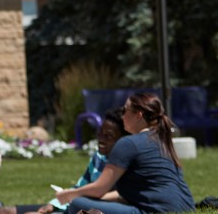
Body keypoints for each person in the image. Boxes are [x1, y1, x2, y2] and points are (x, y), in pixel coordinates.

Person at [55, 92, 195, 214]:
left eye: (125, 110)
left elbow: (100, 188)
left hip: (153, 211)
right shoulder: (162, 142)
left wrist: (69, 194)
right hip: (186, 208)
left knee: (77, 205)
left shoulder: (129, 143)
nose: (122, 116)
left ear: (138, 115)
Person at [37, 108, 128, 214]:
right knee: (13, 211)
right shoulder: (98, 158)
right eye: (100, 133)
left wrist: (79, 197)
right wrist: (54, 204)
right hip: (80, 205)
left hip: (96, 208)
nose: (101, 139)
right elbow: (80, 187)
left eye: (108, 136)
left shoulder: (126, 164)